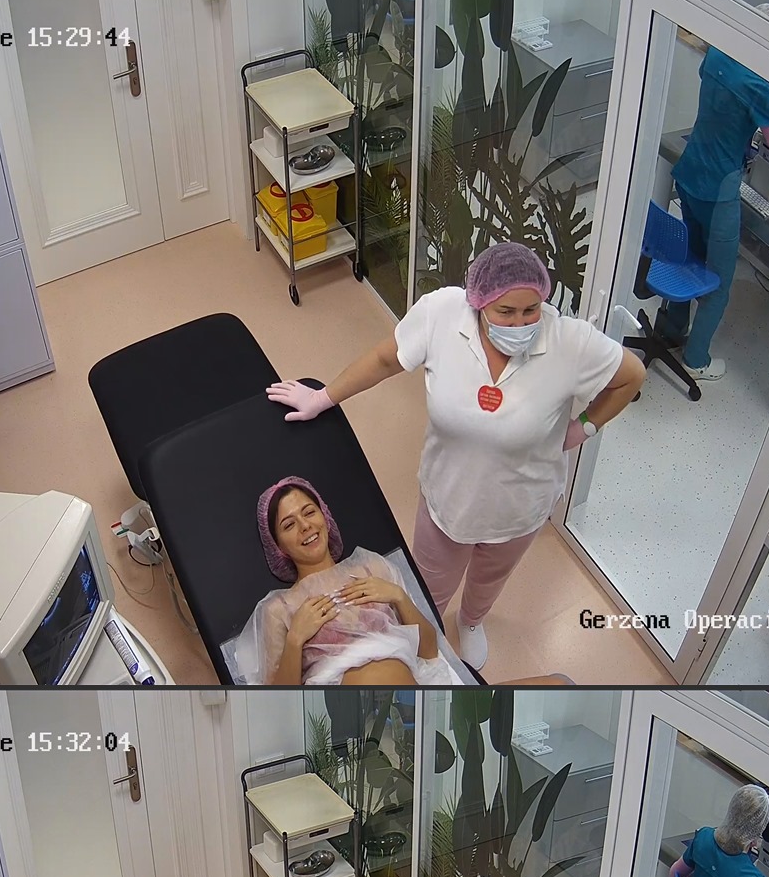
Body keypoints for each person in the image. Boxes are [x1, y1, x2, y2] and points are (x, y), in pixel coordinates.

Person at [267, 242, 638, 672]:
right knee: (429, 584)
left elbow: (631, 376)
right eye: (505, 312)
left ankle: (471, 621)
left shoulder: (568, 341)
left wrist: (583, 428)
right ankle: (429, 628)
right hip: (448, 498)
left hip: (521, 505)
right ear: (478, 303)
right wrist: (324, 397)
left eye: (531, 310)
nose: (520, 324)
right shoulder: (442, 314)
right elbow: (385, 359)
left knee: (490, 577)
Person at [662, 29, 769, 384]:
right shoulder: (757, 87)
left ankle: (671, 330)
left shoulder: (718, 54)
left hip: (690, 174)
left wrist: (763, 110)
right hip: (718, 193)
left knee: (689, 258)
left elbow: (725, 95)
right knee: (718, 283)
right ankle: (696, 359)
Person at [253, 480, 443, 686]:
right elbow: (278, 699)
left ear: (324, 516)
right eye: (289, 525)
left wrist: (399, 596)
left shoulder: (373, 569)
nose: (305, 526)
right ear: (278, 546)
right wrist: (295, 639)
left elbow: (430, 652)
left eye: (309, 512)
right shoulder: (279, 609)